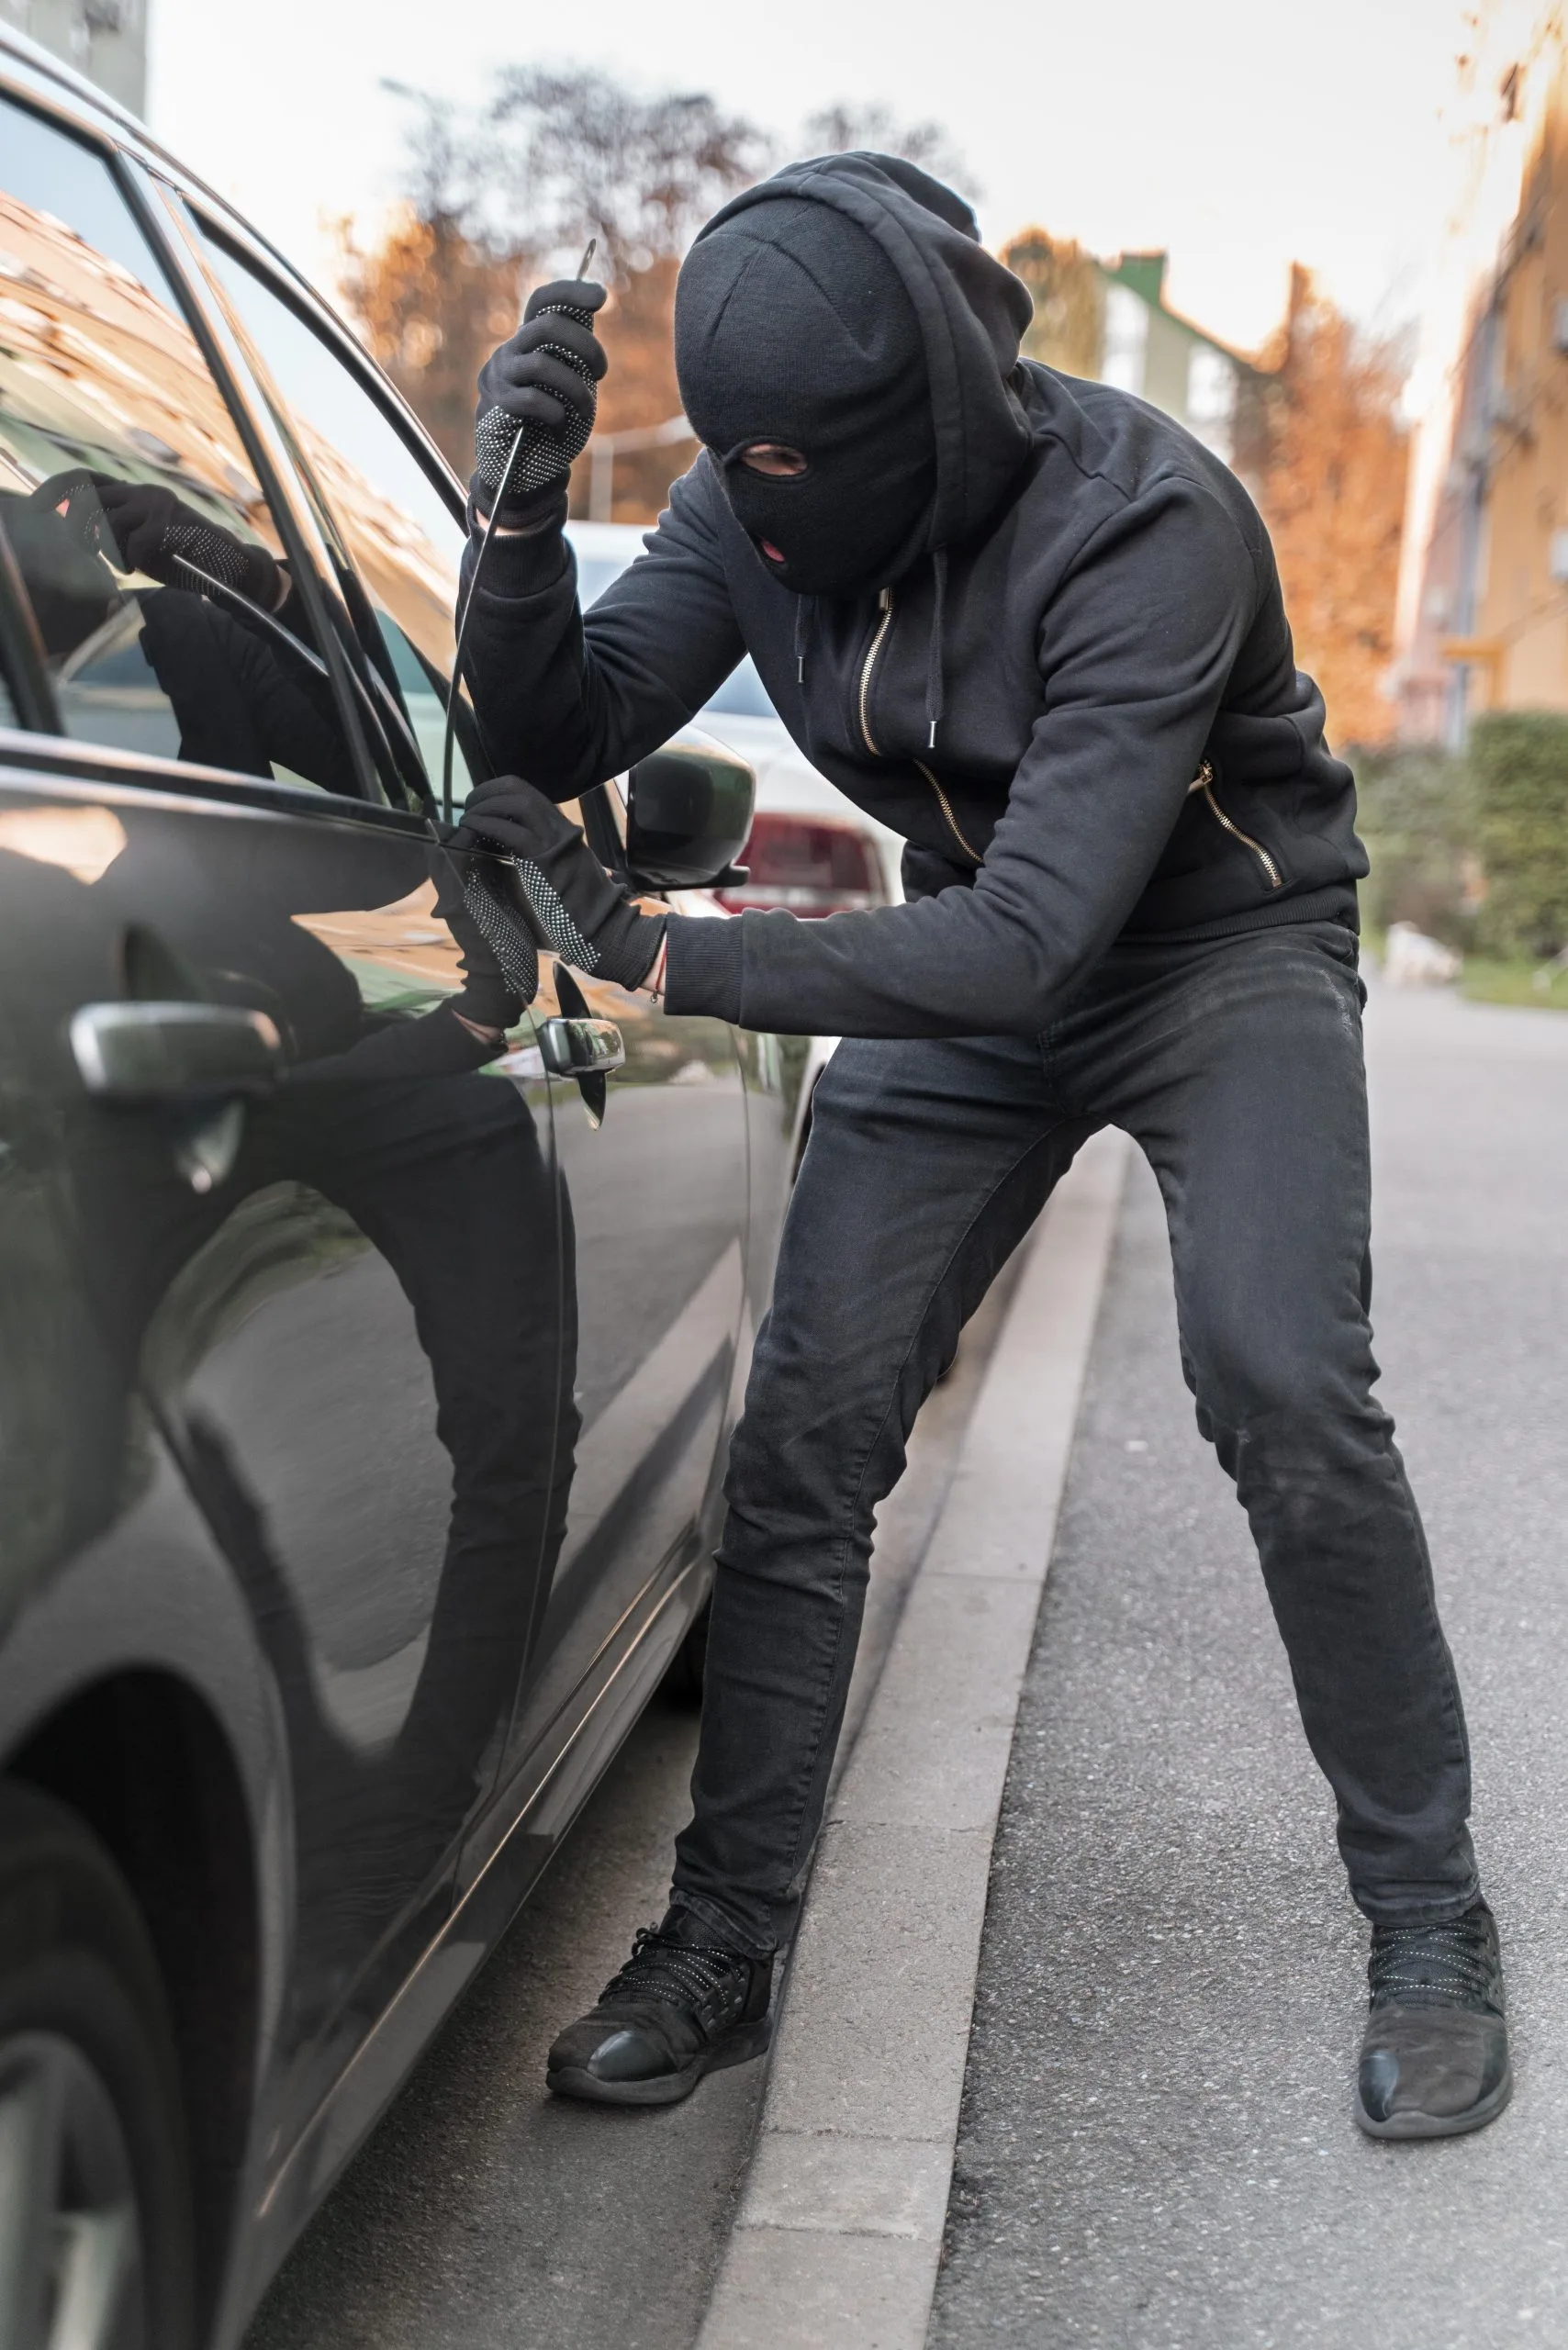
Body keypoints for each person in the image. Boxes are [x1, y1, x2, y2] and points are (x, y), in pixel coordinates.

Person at [451, 151, 1508, 2141]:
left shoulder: (1146, 523)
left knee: (1277, 1375)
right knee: (807, 1432)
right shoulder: (754, 506)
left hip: (1207, 948)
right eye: (733, 464)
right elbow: (555, 718)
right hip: (971, 952)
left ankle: (1425, 1914)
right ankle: (722, 1938)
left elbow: (1042, 938)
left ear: (914, 419)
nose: (760, 506)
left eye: (789, 467)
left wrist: (670, 952)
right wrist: (516, 508)